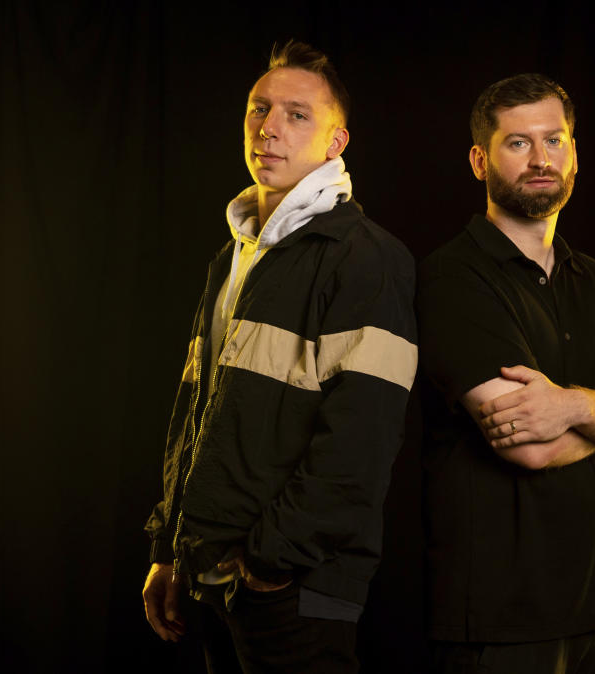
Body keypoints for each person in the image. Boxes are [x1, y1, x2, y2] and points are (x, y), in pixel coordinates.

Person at [141, 40, 418, 674]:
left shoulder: (366, 257)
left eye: (297, 114)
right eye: (259, 109)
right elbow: (196, 416)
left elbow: (363, 439)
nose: (269, 127)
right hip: (214, 578)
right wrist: (169, 550)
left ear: (336, 142)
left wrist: (268, 561)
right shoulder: (235, 257)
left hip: (295, 588)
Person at [417, 73, 595, 673]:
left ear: (574, 151)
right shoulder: (451, 279)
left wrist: (573, 406)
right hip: (506, 620)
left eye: (554, 140)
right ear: (480, 161)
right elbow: (527, 445)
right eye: (517, 143)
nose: (541, 159)